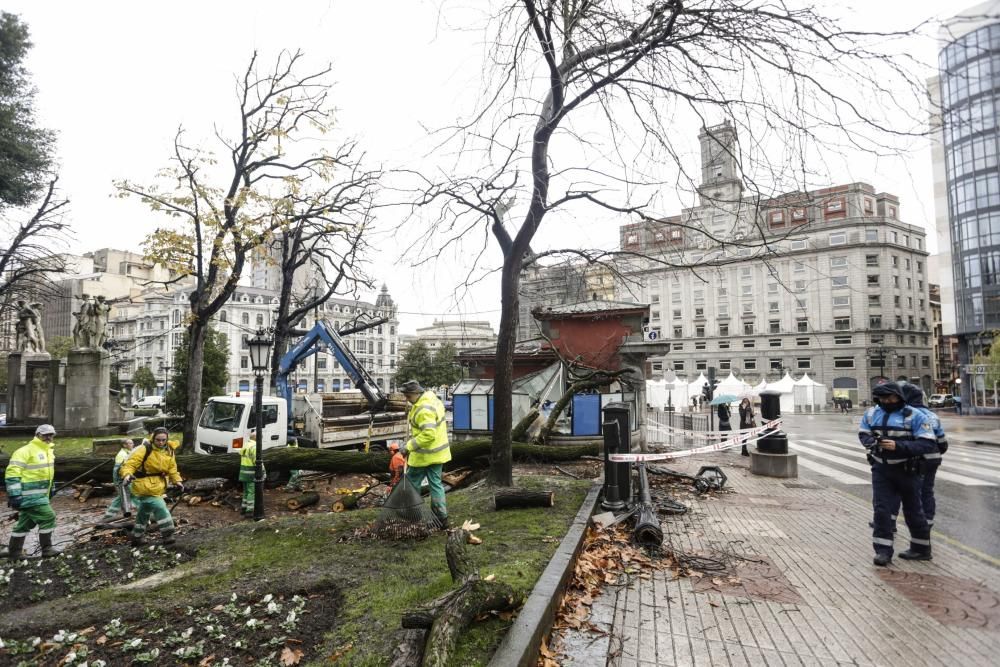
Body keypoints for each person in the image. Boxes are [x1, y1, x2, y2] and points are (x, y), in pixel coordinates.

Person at [858, 382, 937, 566]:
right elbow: (863, 433)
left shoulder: (915, 416)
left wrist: (898, 446)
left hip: (907, 469)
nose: (886, 401)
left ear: (899, 397)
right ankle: (883, 551)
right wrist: (872, 442)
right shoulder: (872, 413)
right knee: (881, 510)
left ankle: (921, 549)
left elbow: (927, 444)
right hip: (881, 469)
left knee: (913, 510)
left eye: (890, 398)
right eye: (882, 398)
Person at [2, 424, 60, 559]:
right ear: (37, 435)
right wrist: (14, 495)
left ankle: (14, 552)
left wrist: (51, 488)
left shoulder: (49, 451)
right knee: (48, 516)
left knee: (24, 524)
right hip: (29, 496)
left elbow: (46, 473)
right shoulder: (25, 451)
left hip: (41, 495)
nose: (48, 437)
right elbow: (12, 474)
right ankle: (47, 549)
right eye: (45, 435)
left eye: (51, 435)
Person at [399, 379, 451, 528]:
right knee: (436, 484)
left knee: (411, 482)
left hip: (424, 455)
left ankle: (413, 514)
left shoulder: (423, 409)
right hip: (438, 454)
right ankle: (441, 518)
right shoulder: (433, 400)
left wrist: (408, 447)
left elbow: (428, 434)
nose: (407, 400)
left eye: (408, 396)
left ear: (416, 393)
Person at [120, 427, 184, 546]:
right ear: (153, 438)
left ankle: (137, 536)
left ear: (167, 439)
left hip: (158, 485)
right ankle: (168, 534)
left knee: (144, 512)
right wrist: (127, 474)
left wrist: (177, 481)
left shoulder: (169, 450)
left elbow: (172, 468)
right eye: (158, 440)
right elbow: (130, 464)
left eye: (163, 440)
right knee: (160, 507)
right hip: (143, 485)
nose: (161, 442)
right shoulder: (144, 449)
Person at [899, 383, 947, 530]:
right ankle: (928, 520)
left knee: (914, 493)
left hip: (916, 460)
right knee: (927, 491)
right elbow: (943, 443)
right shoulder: (932, 415)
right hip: (933, 458)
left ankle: (918, 525)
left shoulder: (907, 414)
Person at [98, 438, 136, 526]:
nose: (132, 445)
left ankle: (108, 516)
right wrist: (119, 482)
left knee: (121, 498)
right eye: (130, 443)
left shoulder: (127, 452)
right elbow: (117, 470)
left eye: (132, 443)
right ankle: (146, 514)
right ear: (124, 445)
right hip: (123, 481)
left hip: (126, 480)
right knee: (135, 495)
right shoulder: (121, 455)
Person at [239, 439, 261, 516]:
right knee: (251, 492)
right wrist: (263, 472)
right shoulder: (254, 447)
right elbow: (257, 461)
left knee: (246, 492)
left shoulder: (245, 445)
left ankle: (243, 508)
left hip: (243, 472)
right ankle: (250, 510)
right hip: (250, 473)